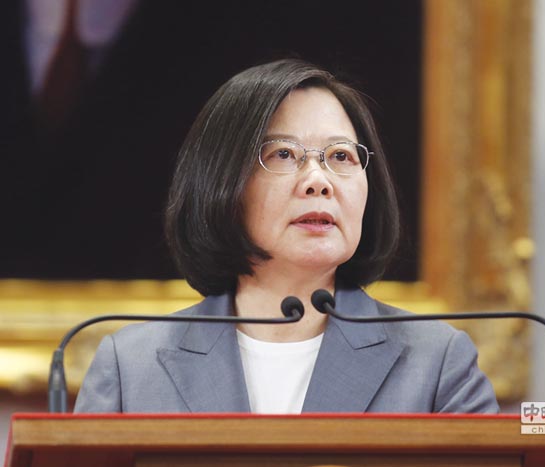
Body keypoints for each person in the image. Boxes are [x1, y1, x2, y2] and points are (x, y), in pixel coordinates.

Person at [74, 59, 498, 414]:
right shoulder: (131, 368)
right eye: (283, 154)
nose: (319, 181)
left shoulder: (438, 364)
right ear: (221, 180)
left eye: (340, 156)